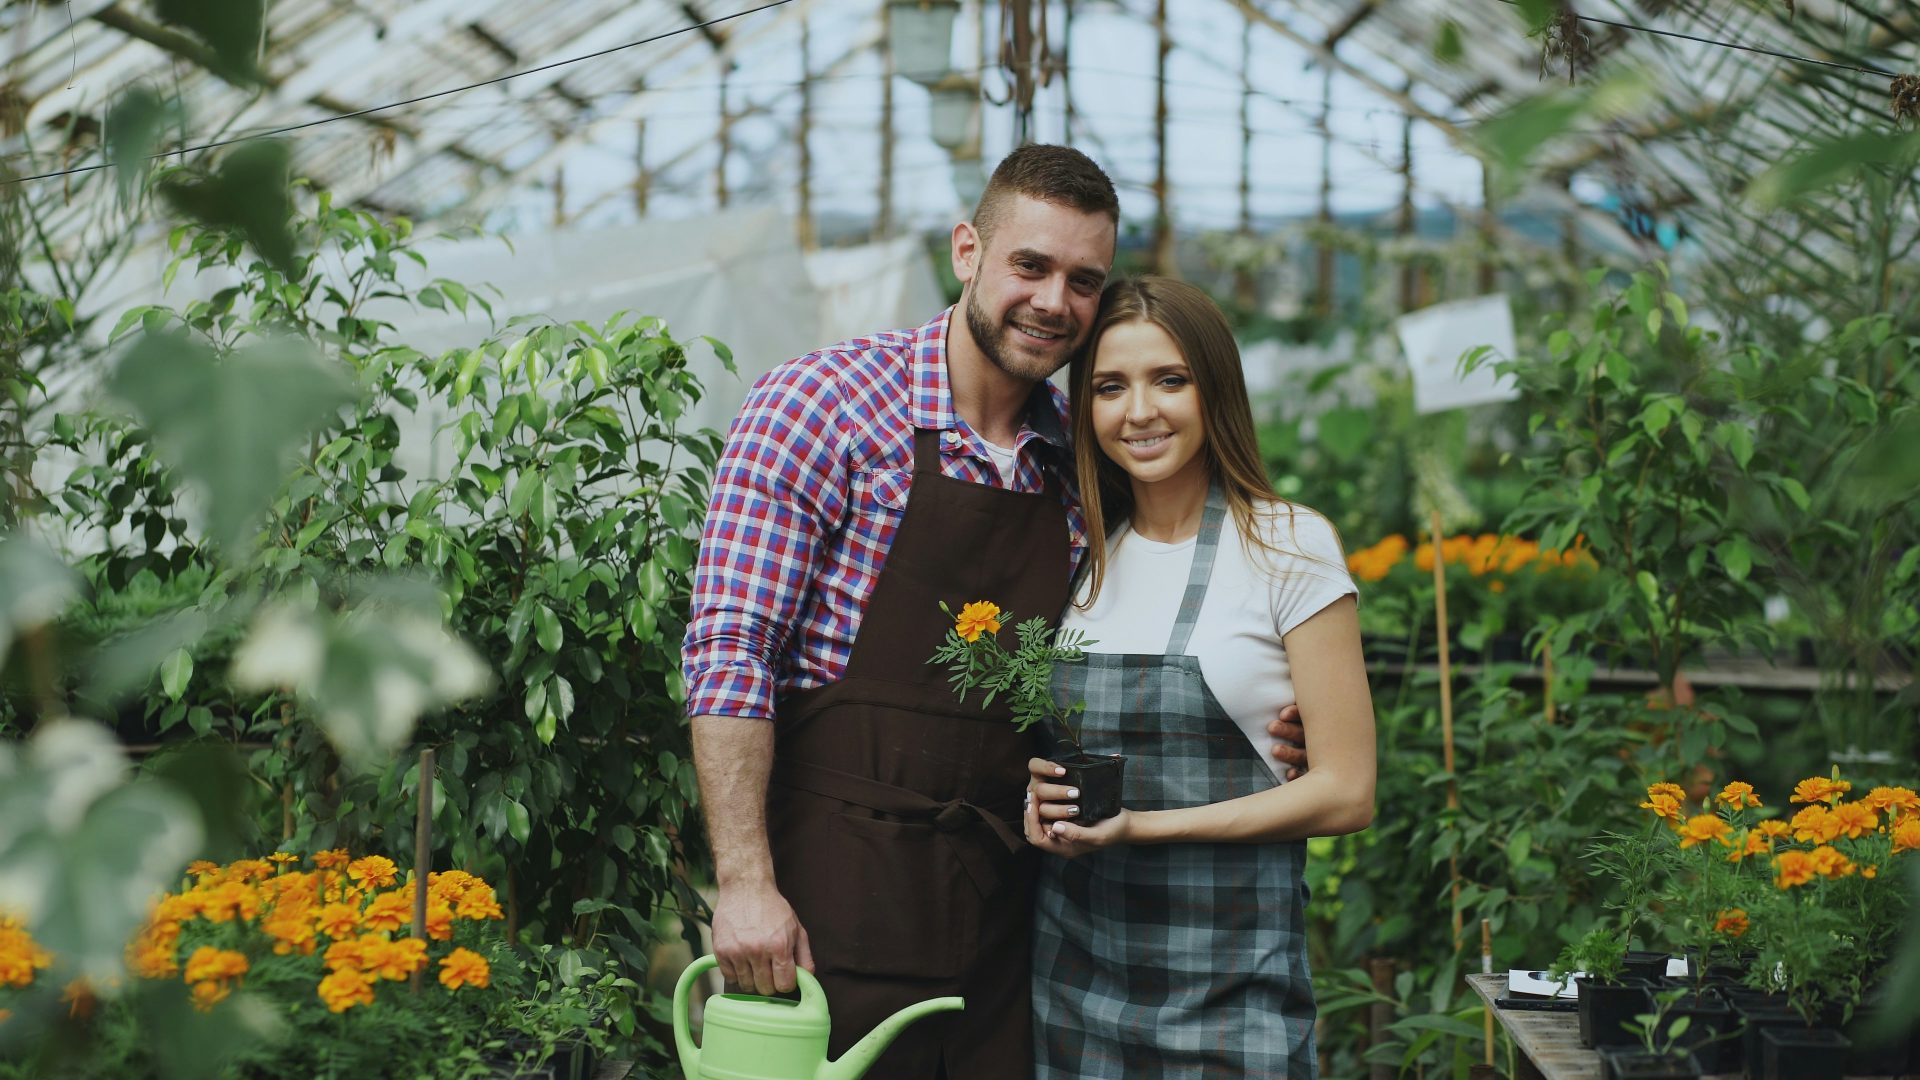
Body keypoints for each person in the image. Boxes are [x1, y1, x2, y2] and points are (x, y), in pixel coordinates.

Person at [683, 146, 1306, 1078]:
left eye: (1083, 280)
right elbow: (732, 652)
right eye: (1032, 265)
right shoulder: (825, 405)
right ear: (967, 250)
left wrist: (1257, 720)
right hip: (827, 909)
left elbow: (1135, 646)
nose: (1055, 301)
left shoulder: (1082, 464)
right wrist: (744, 885)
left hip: (1010, 923)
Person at [1024, 276, 1378, 1079]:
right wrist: (1039, 797)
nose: (1138, 411)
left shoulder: (1288, 546)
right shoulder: (1080, 550)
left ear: (1214, 389)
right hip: (1074, 984)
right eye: (1110, 386)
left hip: (1234, 994)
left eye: (1169, 380)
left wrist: (1141, 826)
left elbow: (1347, 792)